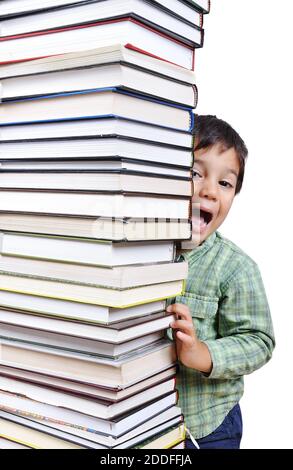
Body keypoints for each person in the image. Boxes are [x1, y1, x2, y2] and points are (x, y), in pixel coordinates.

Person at [167, 115, 275, 449]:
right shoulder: (138, 252)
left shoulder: (236, 268)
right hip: (148, 425)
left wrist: (202, 353)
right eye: (195, 173)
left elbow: (260, 341)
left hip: (208, 427)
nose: (209, 191)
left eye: (225, 183)